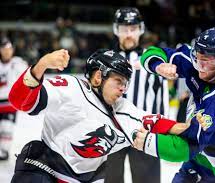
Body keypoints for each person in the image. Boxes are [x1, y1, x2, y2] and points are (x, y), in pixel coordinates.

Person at [8, 48, 186, 183]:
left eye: (126, 83)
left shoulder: (123, 109)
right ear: (98, 77)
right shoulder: (71, 88)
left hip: (86, 178)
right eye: (118, 81)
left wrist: (192, 129)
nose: (123, 88)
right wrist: (42, 65)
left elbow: (157, 123)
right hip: (45, 169)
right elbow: (20, 101)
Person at [133, 27, 215, 182]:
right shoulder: (199, 61)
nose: (200, 67)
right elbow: (153, 52)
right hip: (198, 161)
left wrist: (148, 142)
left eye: (207, 61)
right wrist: (159, 65)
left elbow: (187, 146)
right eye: (198, 58)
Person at [106, 7, 169, 183]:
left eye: (133, 29)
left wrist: (162, 131)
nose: (128, 34)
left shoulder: (152, 60)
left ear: (140, 30)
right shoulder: (105, 59)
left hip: (144, 132)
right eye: (124, 29)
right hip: (111, 133)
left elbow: (161, 97)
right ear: (116, 30)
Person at [0, 37, 28, 160]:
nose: (6, 51)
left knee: (7, 127)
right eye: (4, 49)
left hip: (10, 103)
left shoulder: (18, 63)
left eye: (9, 49)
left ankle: (4, 151)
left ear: (12, 50)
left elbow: (27, 78)